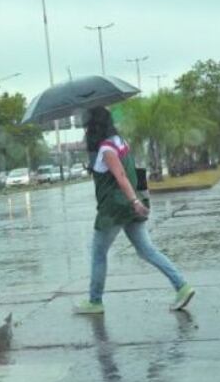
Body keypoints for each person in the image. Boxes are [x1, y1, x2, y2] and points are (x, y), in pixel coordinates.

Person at [74, 106, 195, 314]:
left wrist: (134, 201)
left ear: (94, 125)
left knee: (98, 253)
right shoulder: (121, 142)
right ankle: (181, 286)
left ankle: (95, 301)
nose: (85, 128)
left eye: (86, 124)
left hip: (115, 209)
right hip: (129, 206)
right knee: (146, 250)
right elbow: (128, 173)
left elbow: (121, 176)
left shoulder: (106, 149)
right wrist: (137, 201)